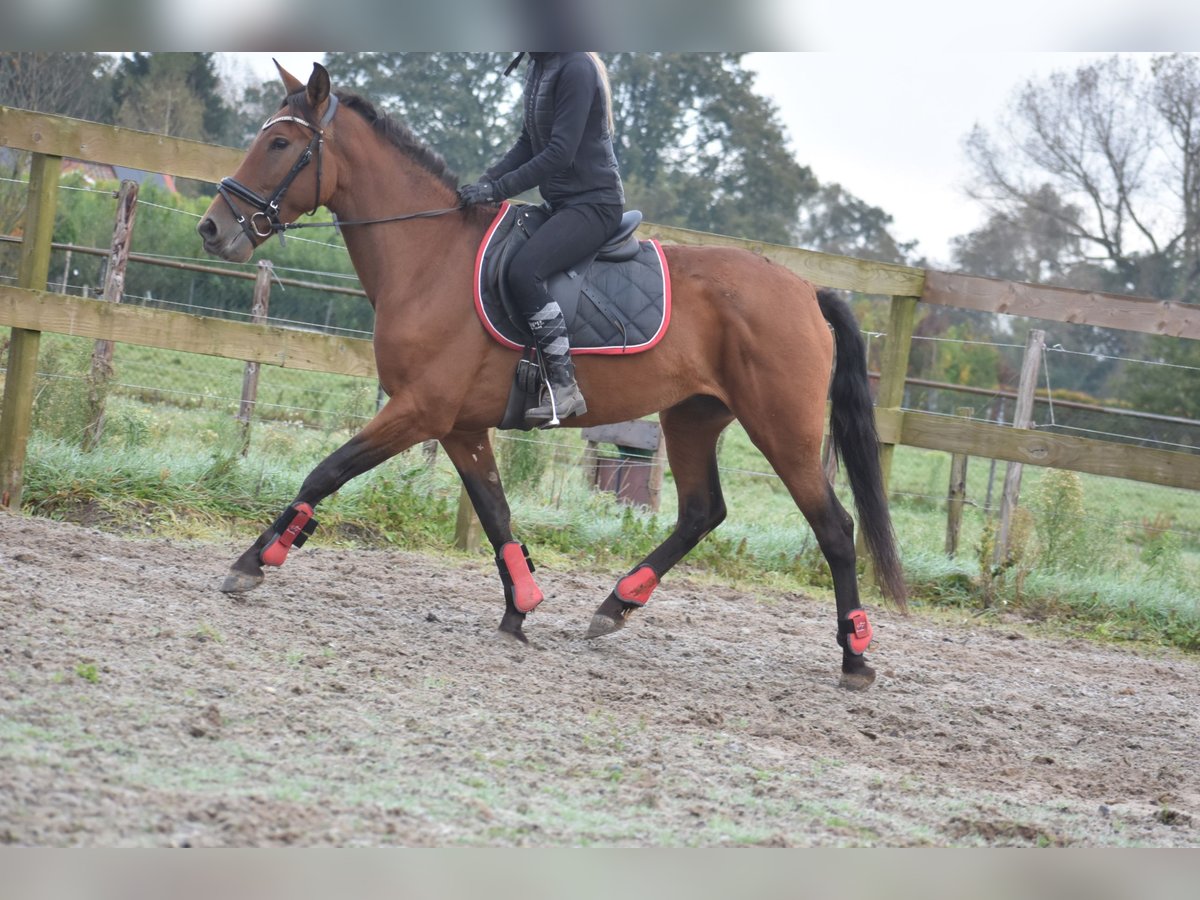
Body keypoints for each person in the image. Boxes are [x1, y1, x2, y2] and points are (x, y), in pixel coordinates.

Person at [458, 52, 625, 425]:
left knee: (524, 271)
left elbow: (558, 154)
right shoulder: (540, 65)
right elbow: (527, 143)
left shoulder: (576, 67)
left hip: (594, 205)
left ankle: (564, 386)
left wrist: (498, 188)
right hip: (561, 204)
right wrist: (486, 182)